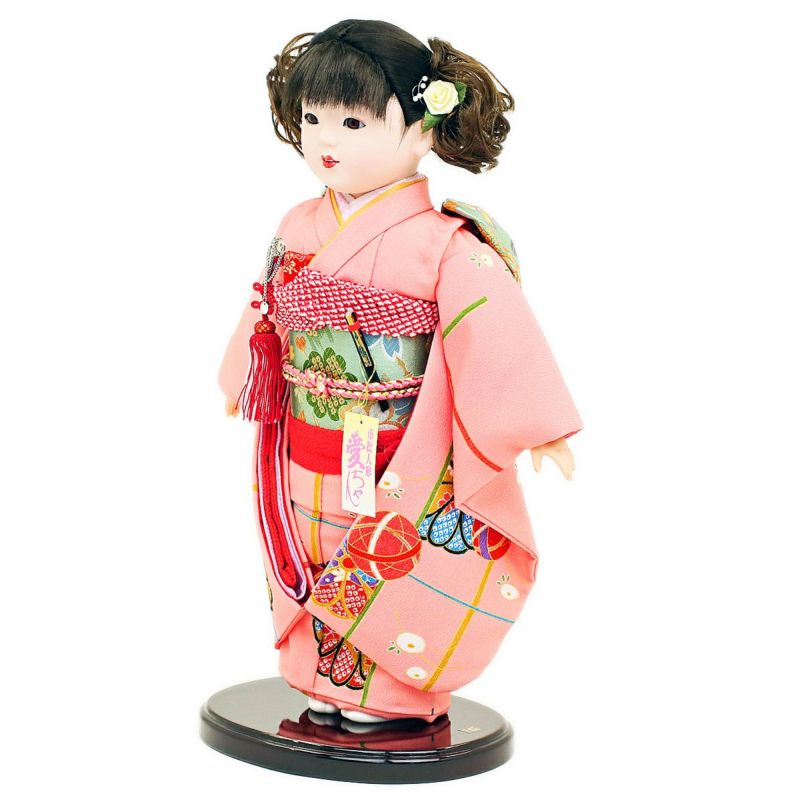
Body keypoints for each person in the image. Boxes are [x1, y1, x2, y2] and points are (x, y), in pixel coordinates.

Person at [218, 19, 583, 725]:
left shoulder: (444, 243)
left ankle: (388, 696)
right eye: (313, 118)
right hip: (303, 434)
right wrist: (245, 375)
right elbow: (269, 305)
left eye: (353, 122)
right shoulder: (297, 224)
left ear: (421, 131)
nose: (325, 140)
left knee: (381, 560)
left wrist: (534, 426)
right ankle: (320, 681)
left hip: (396, 451)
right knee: (312, 547)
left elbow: (491, 326)